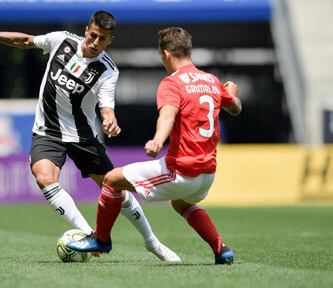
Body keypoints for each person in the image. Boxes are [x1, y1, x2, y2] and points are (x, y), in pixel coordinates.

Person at [0, 11, 180, 261]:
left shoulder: (107, 70)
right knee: (44, 178)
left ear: (110, 40)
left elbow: (107, 107)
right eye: (93, 35)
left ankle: (152, 242)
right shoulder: (62, 41)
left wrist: (110, 119)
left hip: (82, 135)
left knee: (114, 186)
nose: (96, 42)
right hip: (47, 131)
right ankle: (89, 235)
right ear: (87, 30)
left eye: (102, 39)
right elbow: (25, 40)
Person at [67, 27, 242, 265]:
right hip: (207, 173)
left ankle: (101, 239)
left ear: (166, 54)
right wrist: (230, 93)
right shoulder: (211, 81)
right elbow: (235, 108)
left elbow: (168, 116)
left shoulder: (172, 83)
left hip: (182, 170)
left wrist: (158, 139)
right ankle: (220, 248)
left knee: (111, 179)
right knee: (181, 203)